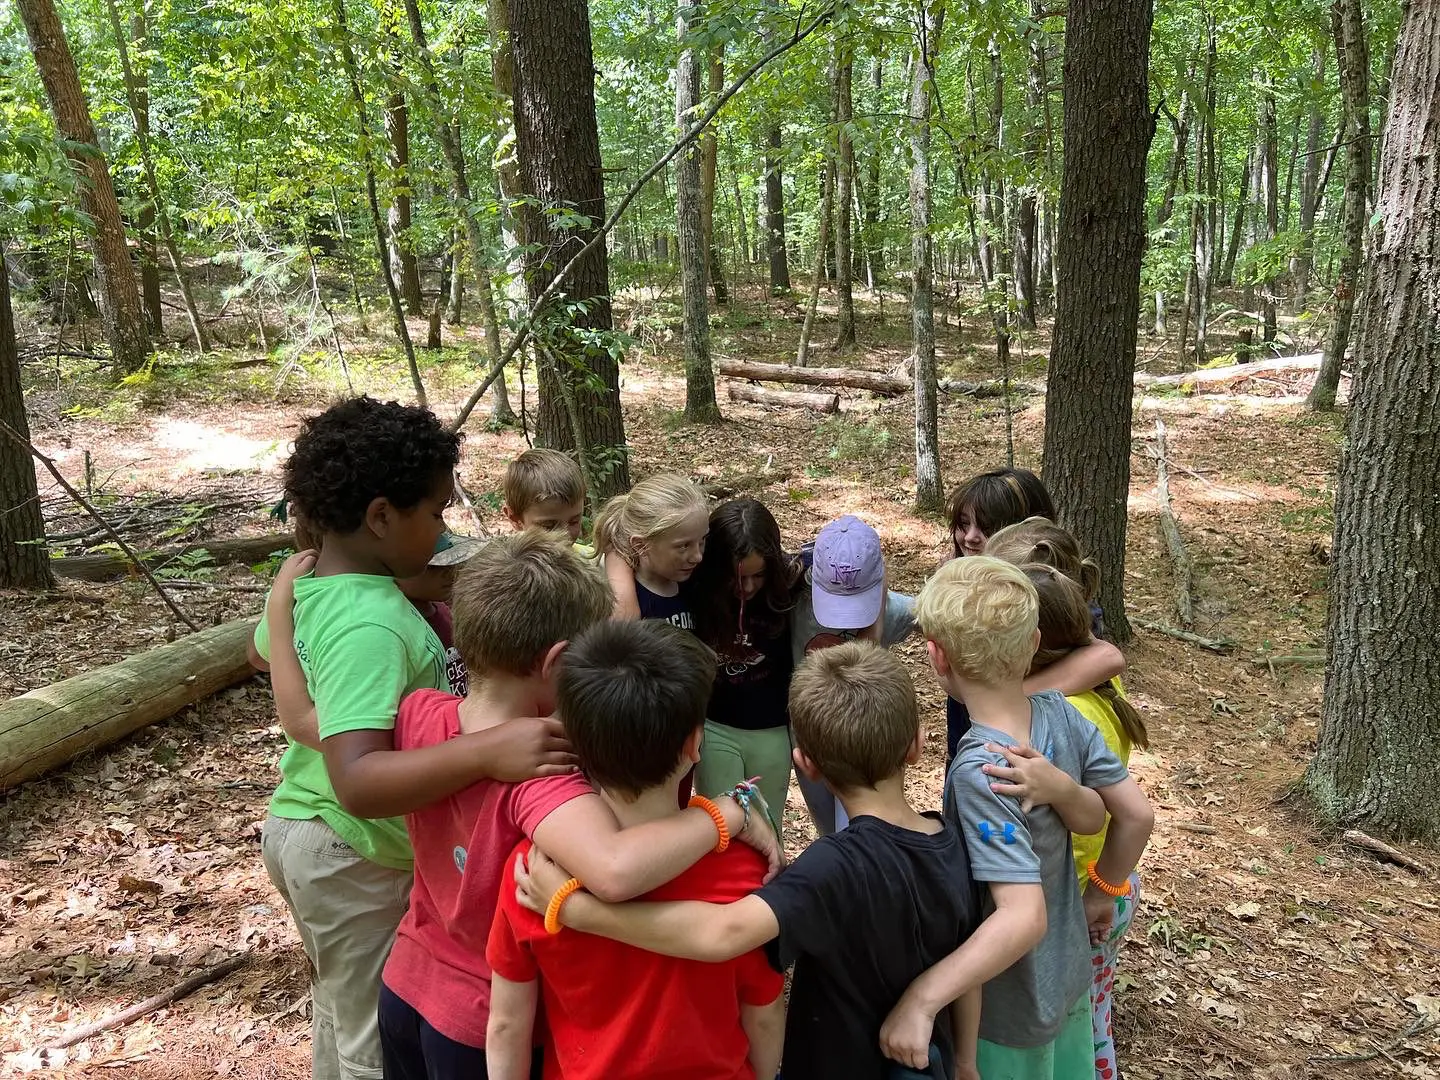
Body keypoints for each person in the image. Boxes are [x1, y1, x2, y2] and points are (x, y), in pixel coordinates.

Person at [380, 532, 778, 1079]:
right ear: (559, 662)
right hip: (478, 1019)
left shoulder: (422, 711)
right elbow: (616, 868)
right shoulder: (543, 775)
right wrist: (730, 810)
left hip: (406, 983)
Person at [515, 641, 1008, 1080]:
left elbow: (723, 933)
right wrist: (966, 1060)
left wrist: (581, 911)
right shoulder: (953, 842)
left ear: (805, 764)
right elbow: (965, 963)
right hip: (933, 1058)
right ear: (918, 746)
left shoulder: (832, 867)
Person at [254, 397, 569, 1080]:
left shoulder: (317, 589)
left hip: (302, 828)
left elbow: (267, 659)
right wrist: (487, 749)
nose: (442, 527)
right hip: (350, 847)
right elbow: (360, 779)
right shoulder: (372, 624)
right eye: (435, 513)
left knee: (341, 1007)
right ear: (380, 516)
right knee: (369, 1036)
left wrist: (282, 610)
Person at [882, 557, 1154, 1080]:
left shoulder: (984, 771)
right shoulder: (1061, 711)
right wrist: (1103, 891)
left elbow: (1019, 916)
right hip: (1069, 981)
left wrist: (922, 998)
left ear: (937, 657)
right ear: (1032, 643)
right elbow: (1134, 816)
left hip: (1008, 1011)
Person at [486, 619, 785, 1080]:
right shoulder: (748, 872)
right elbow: (762, 1015)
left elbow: (507, 1024)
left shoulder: (532, 870)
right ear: (694, 744)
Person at [1005, 564, 1150, 1080]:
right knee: (1092, 1016)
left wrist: (1098, 893)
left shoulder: (1068, 716)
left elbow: (1127, 817)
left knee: (1080, 1026)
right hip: (1105, 885)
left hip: (1084, 895)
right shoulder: (1098, 693)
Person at [942, 471, 1125, 768]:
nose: (971, 537)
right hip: (968, 749)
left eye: (986, 527)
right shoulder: (958, 587)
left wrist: (1004, 698)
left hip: (1021, 763)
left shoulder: (1053, 602)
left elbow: (1108, 658)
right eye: (963, 524)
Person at [789, 515, 917, 835]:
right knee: (832, 833)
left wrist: (874, 627)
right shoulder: (789, 602)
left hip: (868, 749)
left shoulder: (892, 611)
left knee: (869, 832)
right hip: (814, 746)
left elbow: (949, 616)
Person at [689, 498, 803, 831]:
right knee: (722, 827)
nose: (747, 587)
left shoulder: (791, 586)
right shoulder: (694, 588)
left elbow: (858, 575)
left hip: (770, 729)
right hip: (715, 727)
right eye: (736, 578)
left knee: (768, 826)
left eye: (758, 575)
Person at [593, 472, 709, 627]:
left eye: (702, 540)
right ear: (641, 546)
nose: (697, 557)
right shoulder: (625, 604)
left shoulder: (694, 584)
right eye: (683, 546)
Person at [500, 448, 587, 545]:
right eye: (549, 526)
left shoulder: (591, 558)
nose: (565, 537)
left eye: (574, 522)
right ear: (515, 519)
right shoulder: (505, 560)